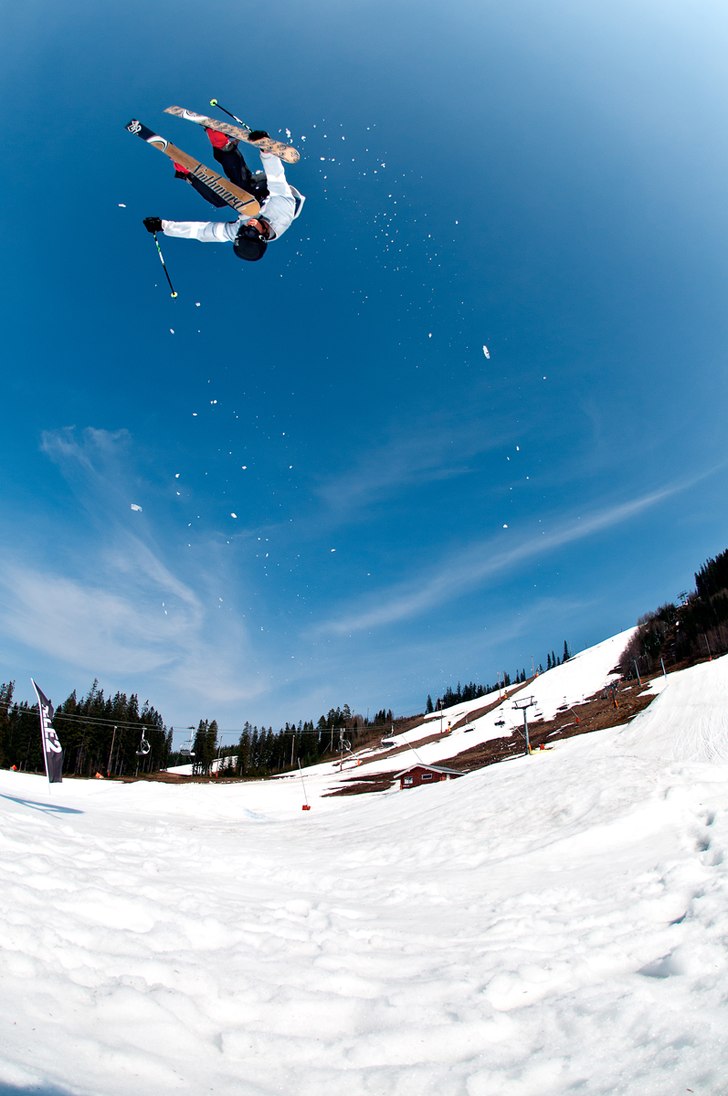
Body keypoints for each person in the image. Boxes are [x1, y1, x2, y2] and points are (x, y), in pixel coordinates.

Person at [143, 128, 305, 263]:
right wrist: (267, 151)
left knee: (221, 200)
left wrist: (164, 226)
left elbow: (202, 231)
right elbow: (276, 180)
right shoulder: (282, 214)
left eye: (244, 231)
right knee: (244, 187)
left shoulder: (238, 231)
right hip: (270, 190)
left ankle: (187, 172)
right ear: (263, 236)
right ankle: (224, 146)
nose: (248, 227)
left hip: (247, 200)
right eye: (251, 231)